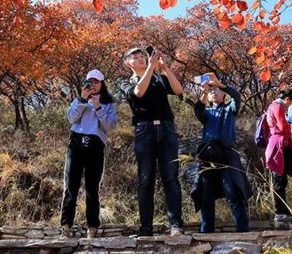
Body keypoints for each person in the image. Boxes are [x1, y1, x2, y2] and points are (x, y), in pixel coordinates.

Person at [120, 47, 184, 236]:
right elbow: (139, 92)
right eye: (136, 57)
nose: (141, 59)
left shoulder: (158, 78)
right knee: (145, 179)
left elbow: (178, 90)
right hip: (144, 130)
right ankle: (146, 227)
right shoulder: (125, 82)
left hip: (167, 128)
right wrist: (151, 67)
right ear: (127, 63)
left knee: (171, 177)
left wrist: (164, 68)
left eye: (143, 57)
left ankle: (175, 224)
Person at [190, 73, 251, 233]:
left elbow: (236, 96)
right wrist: (204, 91)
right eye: (211, 90)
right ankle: (206, 230)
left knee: (232, 191)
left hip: (227, 154)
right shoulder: (207, 114)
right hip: (208, 156)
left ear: (224, 94)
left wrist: (219, 83)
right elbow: (198, 109)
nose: (213, 91)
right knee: (206, 194)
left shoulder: (230, 109)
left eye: (216, 90)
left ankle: (242, 229)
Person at [60, 69, 117, 238]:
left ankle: (92, 226)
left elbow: (110, 127)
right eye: (90, 82)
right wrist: (82, 100)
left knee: (92, 188)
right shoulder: (78, 100)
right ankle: (65, 225)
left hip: (95, 145)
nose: (93, 85)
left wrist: (98, 107)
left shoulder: (108, 103)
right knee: (71, 186)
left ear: (102, 84)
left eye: (97, 82)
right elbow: (71, 119)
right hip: (76, 143)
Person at [265, 89, 292, 224]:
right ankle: (280, 212)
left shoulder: (272, 106)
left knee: (280, 179)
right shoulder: (278, 107)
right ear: (288, 99)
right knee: (280, 179)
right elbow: (283, 126)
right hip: (279, 145)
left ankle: (283, 211)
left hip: (276, 144)